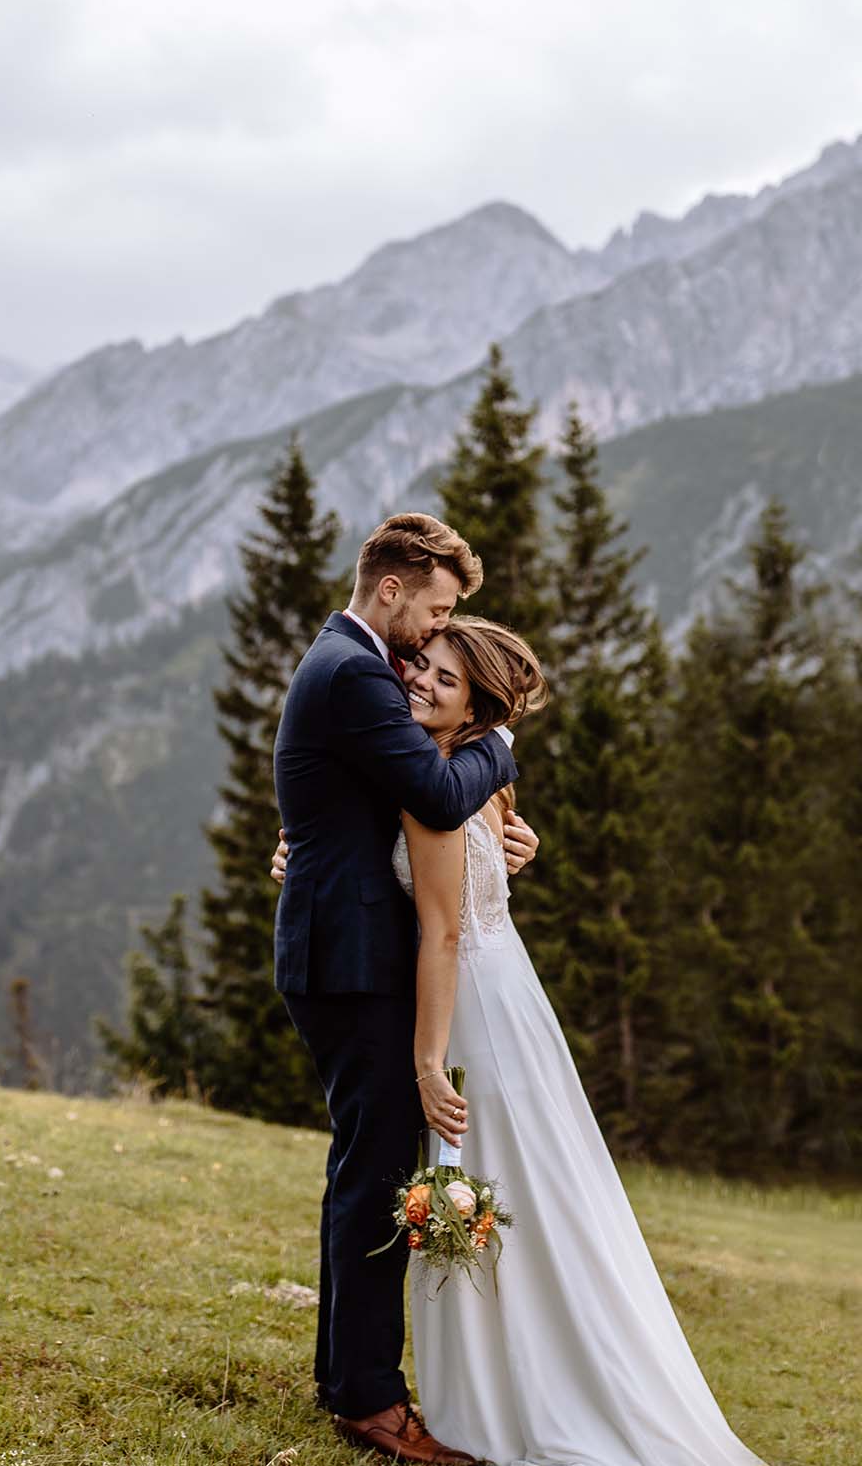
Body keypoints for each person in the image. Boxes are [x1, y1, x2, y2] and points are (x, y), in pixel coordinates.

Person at [275, 614, 769, 1466]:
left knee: (490, 1189)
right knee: (524, 1194)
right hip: (500, 999)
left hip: (467, 1003)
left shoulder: (450, 778)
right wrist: (306, 855)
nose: (421, 682)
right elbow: (404, 848)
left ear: (477, 707)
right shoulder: (459, 771)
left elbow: (447, 926)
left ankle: (518, 1393)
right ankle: (511, 1379)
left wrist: (428, 1060)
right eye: (419, 665)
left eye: (444, 678)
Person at [273, 513, 538, 1466]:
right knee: (378, 1172)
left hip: (344, 948)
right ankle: (372, 1404)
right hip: (349, 960)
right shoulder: (351, 671)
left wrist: (507, 828)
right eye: (435, 607)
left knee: (363, 1166)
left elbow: (389, 793)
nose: (435, 629)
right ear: (393, 589)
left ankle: (345, 1379)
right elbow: (433, 794)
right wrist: (501, 746)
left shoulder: (353, 663)